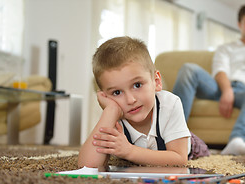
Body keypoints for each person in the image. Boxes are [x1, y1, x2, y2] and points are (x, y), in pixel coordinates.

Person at [78, 36, 209, 168]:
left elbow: (179, 159)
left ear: (156, 82)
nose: (131, 100)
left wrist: (129, 151)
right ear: (105, 97)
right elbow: (87, 167)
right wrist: (110, 111)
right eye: (116, 93)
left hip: (189, 148)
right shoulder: (114, 114)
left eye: (137, 85)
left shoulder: (170, 104)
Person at [172, 3, 245, 156]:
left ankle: (238, 141)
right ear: (239, 24)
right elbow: (220, 70)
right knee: (188, 69)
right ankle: (172, 132)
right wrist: (227, 90)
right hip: (219, 87)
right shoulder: (226, 47)